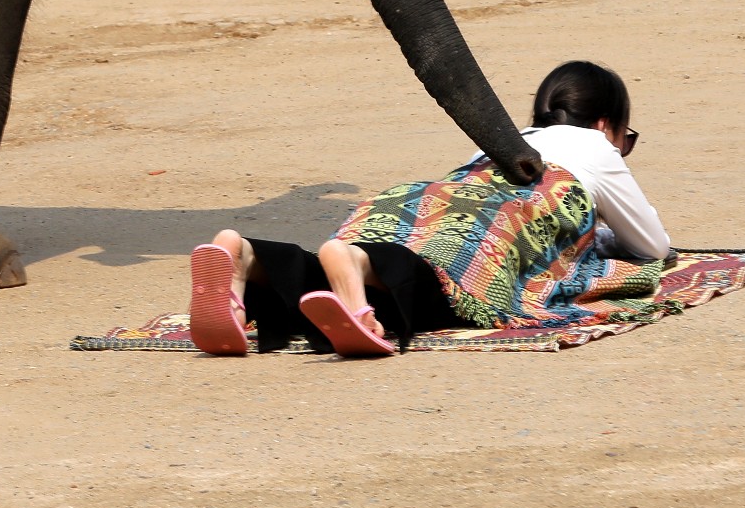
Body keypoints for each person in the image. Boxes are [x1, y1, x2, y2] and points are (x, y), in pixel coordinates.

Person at [187, 59, 669, 359]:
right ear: (607, 124)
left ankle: (248, 257)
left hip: (422, 199)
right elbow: (651, 245)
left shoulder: (505, 138)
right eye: (626, 137)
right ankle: (353, 261)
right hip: (508, 215)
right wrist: (600, 233)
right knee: (455, 290)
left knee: (374, 277)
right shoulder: (596, 147)